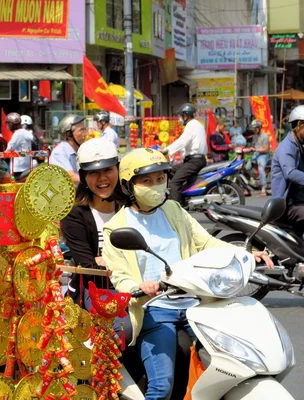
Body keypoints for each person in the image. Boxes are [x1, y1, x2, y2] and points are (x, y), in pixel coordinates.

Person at [102, 148, 273, 400]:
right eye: (147, 181)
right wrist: (139, 286)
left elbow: (205, 242)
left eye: (160, 179)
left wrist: (245, 253)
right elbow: (119, 274)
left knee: (232, 368)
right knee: (162, 387)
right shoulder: (116, 227)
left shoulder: (173, 210)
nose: (156, 186)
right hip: (155, 307)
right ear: (129, 185)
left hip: (196, 304)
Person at [61, 137, 122, 309]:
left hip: (143, 286)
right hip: (97, 288)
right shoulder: (74, 214)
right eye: (94, 172)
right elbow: (89, 269)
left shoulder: (131, 205)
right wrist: (125, 263)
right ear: (83, 176)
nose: (102, 178)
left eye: (108, 170)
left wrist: (104, 260)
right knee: (128, 328)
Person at [161, 103, 207, 204]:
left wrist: (167, 150)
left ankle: (176, 209)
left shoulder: (191, 126)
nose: (180, 119)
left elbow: (182, 141)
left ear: (186, 116)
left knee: (174, 183)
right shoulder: (198, 125)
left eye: (181, 116)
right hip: (195, 160)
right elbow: (188, 144)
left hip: (194, 161)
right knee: (170, 171)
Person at [271, 105, 304, 235]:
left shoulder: (298, 145)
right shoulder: (287, 147)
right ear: (300, 124)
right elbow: (290, 173)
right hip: (286, 205)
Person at [49, 114, 87, 185]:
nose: (85, 134)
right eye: (81, 130)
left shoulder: (80, 150)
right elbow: (70, 177)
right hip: (65, 195)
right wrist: (92, 181)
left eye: (85, 129)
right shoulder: (60, 152)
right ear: (69, 134)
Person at [245, 119, 270, 196]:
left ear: (259, 128)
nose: (253, 130)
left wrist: (257, 150)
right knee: (246, 169)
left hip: (263, 155)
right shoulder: (254, 137)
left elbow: (265, 149)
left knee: (261, 168)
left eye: (254, 129)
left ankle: (264, 188)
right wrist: (250, 149)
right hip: (256, 155)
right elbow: (253, 147)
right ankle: (247, 188)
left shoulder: (265, 136)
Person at [6, 115, 35, 180]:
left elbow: (9, 149)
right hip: (26, 165)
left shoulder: (18, 133)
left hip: (18, 168)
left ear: (11, 124)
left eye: (8, 124)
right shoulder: (25, 133)